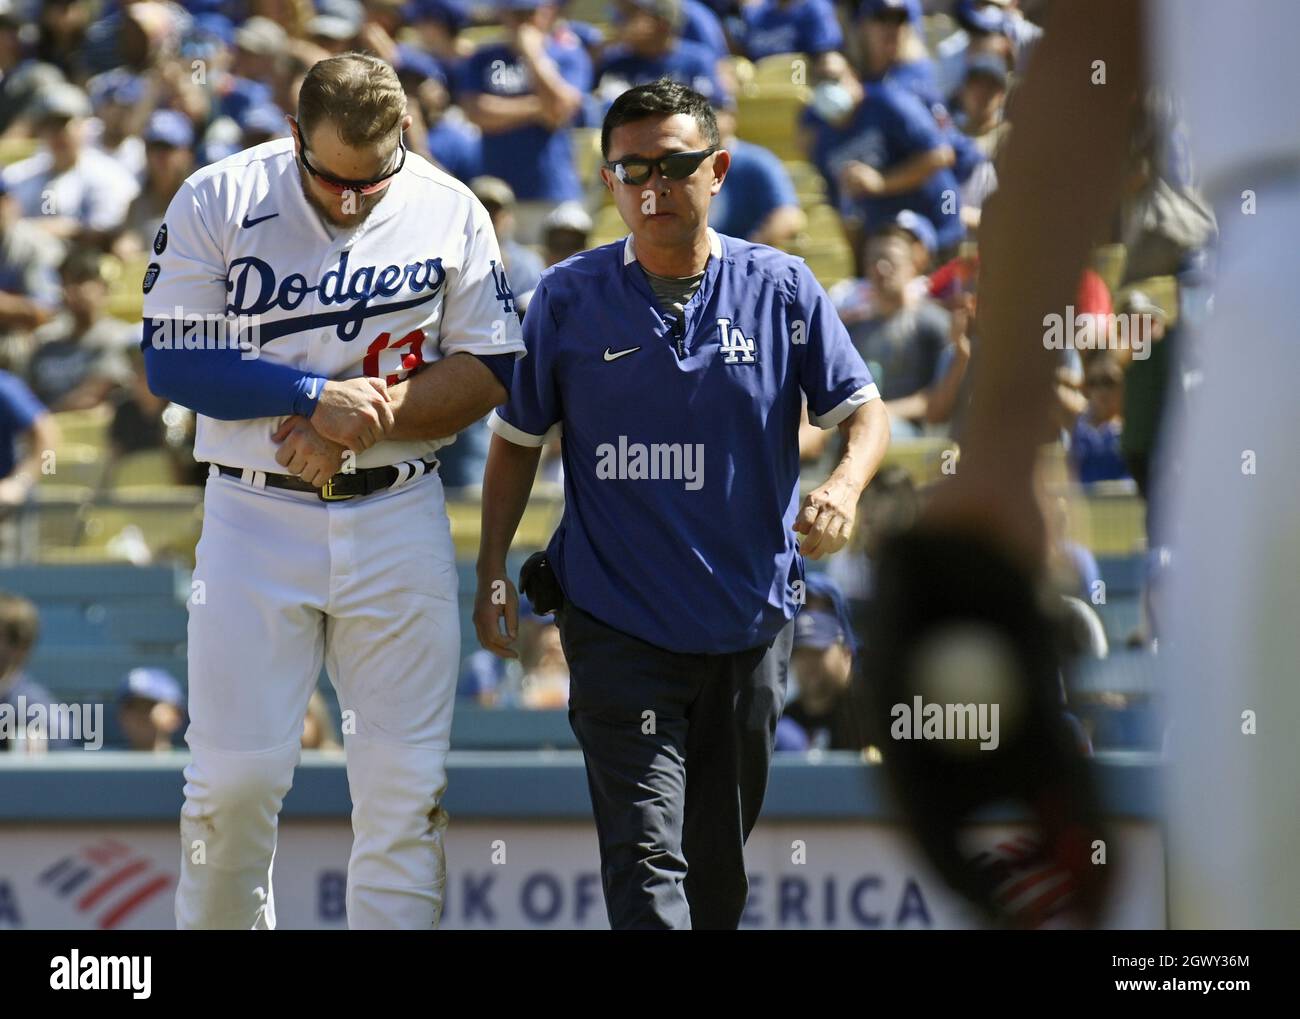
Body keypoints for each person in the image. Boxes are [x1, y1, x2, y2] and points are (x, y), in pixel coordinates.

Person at [473, 80, 890, 929]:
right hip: (616, 623)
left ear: (719, 167)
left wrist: (843, 487)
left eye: (672, 165)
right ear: (609, 182)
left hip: (749, 623)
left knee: (716, 879)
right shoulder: (565, 296)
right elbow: (516, 441)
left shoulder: (782, 288)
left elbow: (867, 412)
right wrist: (489, 570)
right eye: (630, 170)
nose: (652, 188)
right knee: (645, 858)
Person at [142, 52, 525, 930]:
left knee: (405, 791)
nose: (351, 200)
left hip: (399, 507)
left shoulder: (448, 206)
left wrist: (362, 420)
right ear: (293, 137)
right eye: (331, 178)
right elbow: (173, 358)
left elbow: (492, 365)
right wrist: (311, 396)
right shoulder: (219, 196)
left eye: (371, 179)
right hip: (253, 509)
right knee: (231, 785)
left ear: (404, 139)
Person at [457, 0, 590, 243]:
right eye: (516, 14)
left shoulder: (568, 55)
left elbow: (561, 111)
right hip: (497, 191)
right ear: (503, 15)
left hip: (550, 189)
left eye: (529, 14)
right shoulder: (485, 57)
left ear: (547, 13)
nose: (522, 23)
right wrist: (539, 108)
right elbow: (475, 112)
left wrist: (533, 54)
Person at [1, 82, 140, 245]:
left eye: (62, 125)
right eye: (48, 126)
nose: (56, 134)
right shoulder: (21, 175)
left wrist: (67, 229)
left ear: (84, 125)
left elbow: (109, 233)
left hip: (84, 263)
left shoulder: (109, 175)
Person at [27, 249, 136, 413]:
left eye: (80, 280)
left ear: (103, 287)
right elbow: (28, 393)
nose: (71, 290)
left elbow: (93, 394)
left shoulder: (120, 337)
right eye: (66, 282)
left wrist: (41, 419)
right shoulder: (46, 340)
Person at [595, 0, 726, 109]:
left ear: (661, 24)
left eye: (630, 15)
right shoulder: (614, 61)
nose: (619, 22)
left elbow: (721, 112)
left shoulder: (698, 60)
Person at [708, 106, 804, 248]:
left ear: (731, 117)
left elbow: (789, 216)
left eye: (714, 109)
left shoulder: (756, 161)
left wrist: (747, 252)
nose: (705, 116)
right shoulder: (680, 161)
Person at [116, 667, 185, 752]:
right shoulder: (105, 762)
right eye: (132, 707)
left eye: (149, 706)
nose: (140, 715)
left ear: (176, 715)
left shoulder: (196, 763)